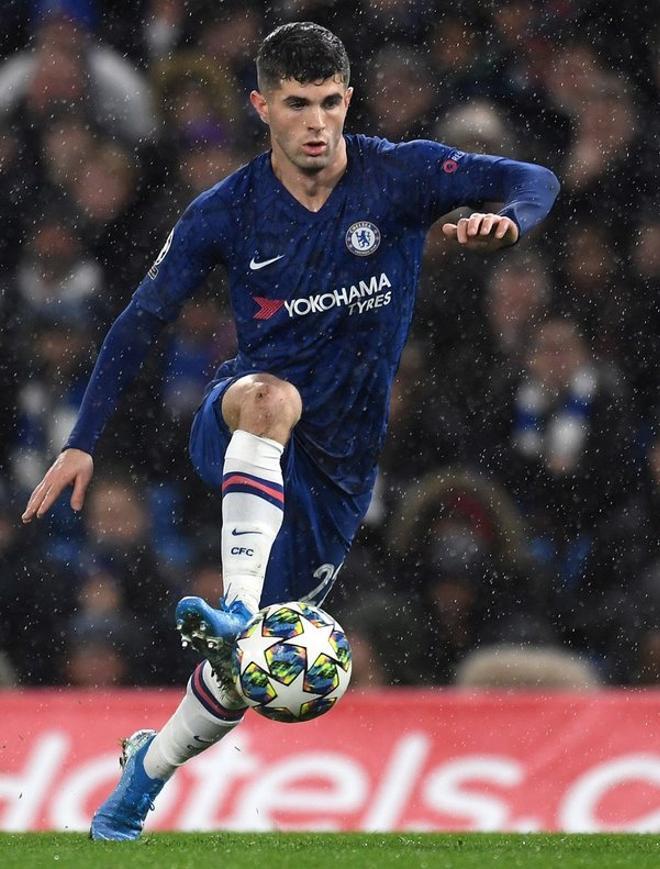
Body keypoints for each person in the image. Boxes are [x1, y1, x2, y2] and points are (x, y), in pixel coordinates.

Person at [21, 22, 559, 840]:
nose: (317, 122)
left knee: (246, 677)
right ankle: (236, 607)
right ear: (261, 105)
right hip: (244, 419)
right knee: (270, 397)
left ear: (348, 101)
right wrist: (82, 438)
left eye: (331, 102)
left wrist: (510, 222)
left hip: (338, 473)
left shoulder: (401, 175)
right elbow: (138, 321)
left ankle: (143, 775)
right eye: (298, 103)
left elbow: (534, 177)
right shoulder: (227, 210)